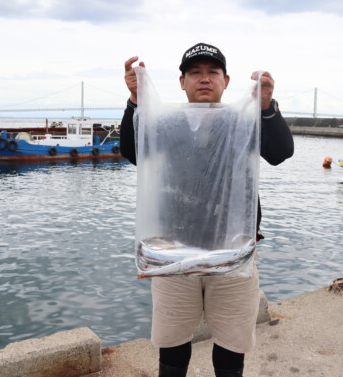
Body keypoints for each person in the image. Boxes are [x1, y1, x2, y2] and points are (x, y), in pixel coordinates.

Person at [121, 43, 294, 377]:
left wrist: (266, 107)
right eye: (195, 73)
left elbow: (280, 152)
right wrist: (135, 102)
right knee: (172, 345)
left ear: (226, 81)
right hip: (173, 253)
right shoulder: (167, 124)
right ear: (182, 82)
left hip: (234, 252)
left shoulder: (242, 122)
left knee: (231, 346)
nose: (204, 79)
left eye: (212, 72)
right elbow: (133, 150)